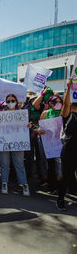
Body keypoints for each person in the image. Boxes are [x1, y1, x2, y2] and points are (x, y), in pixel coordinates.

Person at [0, 94, 30, 196]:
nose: (10, 103)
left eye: (12, 100)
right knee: (4, 164)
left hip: (18, 142)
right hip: (4, 143)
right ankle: (4, 183)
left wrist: (28, 125)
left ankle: (24, 184)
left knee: (19, 164)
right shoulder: (1, 114)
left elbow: (28, 125)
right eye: (8, 101)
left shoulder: (22, 114)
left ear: (16, 101)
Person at [56, 78, 77, 211]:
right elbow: (66, 105)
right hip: (69, 150)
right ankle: (60, 199)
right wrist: (68, 88)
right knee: (66, 175)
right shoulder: (68, 115)